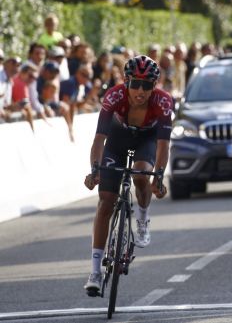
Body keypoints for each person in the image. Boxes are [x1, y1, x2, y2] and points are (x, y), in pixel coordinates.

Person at [82, 55, 173, 296]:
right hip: (117, 139)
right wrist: (94, 170)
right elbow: (99, 139)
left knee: (142, 175)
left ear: (155, 85)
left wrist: (159, 177)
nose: (140, 91)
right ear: (126, 82)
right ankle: (94, 271)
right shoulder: (114, 95)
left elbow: (163, 145)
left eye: (147, 85)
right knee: (105, 203)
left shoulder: (163, 102)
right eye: (135, 84)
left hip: (147, 139)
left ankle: (142, 217)